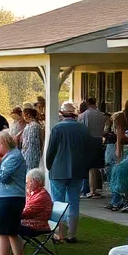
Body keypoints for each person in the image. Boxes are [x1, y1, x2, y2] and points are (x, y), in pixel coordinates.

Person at [46, 102, 92, 244]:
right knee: (74, 202)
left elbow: (51, 151)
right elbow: (88, 150)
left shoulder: (57, 129)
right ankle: (72, 234)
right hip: (77, 170)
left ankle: (59, 233)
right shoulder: (83, 129)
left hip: (58, 169)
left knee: (57, 202)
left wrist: (49, 165)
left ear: (62, 114)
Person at [0, 131, 28, 255]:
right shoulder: (12, 156)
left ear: (4, 143)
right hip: (11, 197)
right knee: (12, 233)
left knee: (1, 233)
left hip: (8, 198)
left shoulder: (13, 157)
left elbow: (4, 178)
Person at [79, 97, 108, 197]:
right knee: (95, 166)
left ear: (87, 104)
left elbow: (81, 129)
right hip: (99, 140)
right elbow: (105, 128)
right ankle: (94, 189)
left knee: (87, 166)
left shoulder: (83, 115)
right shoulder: (102, 115)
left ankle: (87, 189)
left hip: (88, 140)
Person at [20, 168, 53, 236]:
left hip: (36, 226)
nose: (26, 184)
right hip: (30, 224)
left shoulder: (41, 196)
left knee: (7, 225)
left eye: (28, 181)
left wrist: (10, 214)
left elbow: (25, 213)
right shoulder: (34, 194)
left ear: (37, 181)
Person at [20, 106, 43, 170]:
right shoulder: (32, 125)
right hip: (29, 152)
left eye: (24, 115)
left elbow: (31, 142)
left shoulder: (34, 126)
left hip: (31, 153)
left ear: (28, 115)